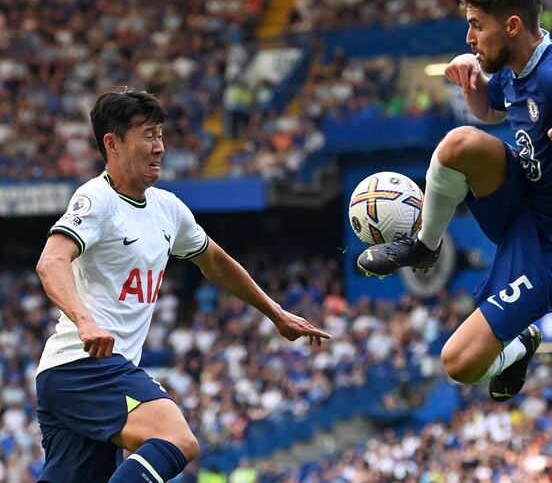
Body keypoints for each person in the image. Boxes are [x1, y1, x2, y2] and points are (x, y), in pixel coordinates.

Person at [34, 89, 331, 482]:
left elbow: (216, 262)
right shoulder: (96, 199)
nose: (159, 147)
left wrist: (274, 312)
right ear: (113, 142)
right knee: (176, 438)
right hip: (84, 366)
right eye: (147, 135)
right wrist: (85, 322)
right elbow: (51, 261)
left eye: (160, 135)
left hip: (76, 376)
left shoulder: (168, 209)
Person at [358, 0, 552, 402]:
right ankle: (425, 245)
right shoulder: (516, 66)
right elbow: (493, 112)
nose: (469, 37)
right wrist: (474, 86)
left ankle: (519, 345)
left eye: (477, 25)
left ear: (512, 25)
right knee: (460, 142)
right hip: (526, 196)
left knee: (458, 363)